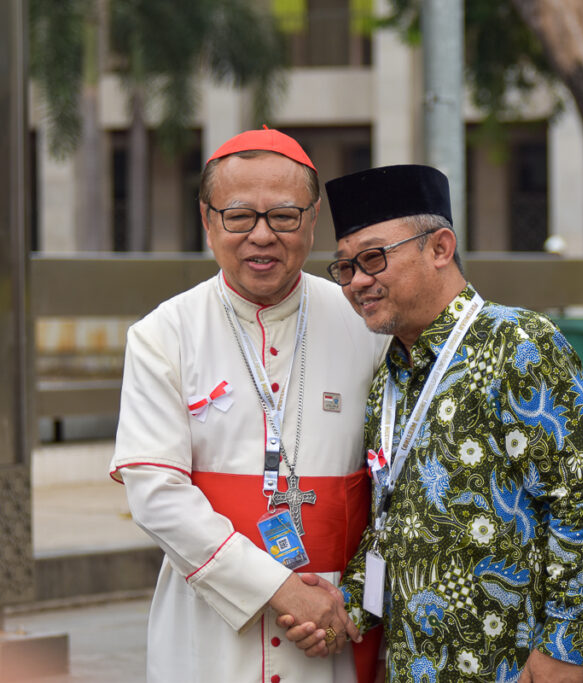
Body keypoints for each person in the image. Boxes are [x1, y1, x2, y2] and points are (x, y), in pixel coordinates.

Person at [279, 164, 583, 681]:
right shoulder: (390, 378)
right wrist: (345, 610)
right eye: (345, 267)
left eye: (374, 258)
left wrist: (564, 647)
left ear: (440, 248)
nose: (357, 282)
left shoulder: (518, 344)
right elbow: (391, 525)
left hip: (526, 667)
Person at [109, 128, 388, 683]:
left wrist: (352, 603)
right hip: (210, 630)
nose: (262, 236)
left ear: (312, 221)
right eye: (239, 216)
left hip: (336, 622)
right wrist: (279, 588)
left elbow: (396, 488)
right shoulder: (164, 334)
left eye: (284, 216)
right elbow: (156, 496)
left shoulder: (368, 326)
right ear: (208, 221)